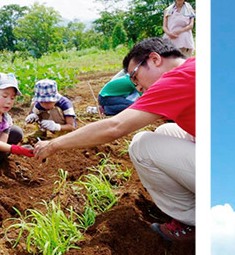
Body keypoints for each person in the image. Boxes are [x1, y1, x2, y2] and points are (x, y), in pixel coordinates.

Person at [34, 38, 195, 242]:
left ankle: (191, 221)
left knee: (141, 145)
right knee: (165, 131)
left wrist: (54, 144)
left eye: (136, 78)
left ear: (154, 59)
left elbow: (114, 127)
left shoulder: (177, 79)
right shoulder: (192, 67)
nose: (139, 89)